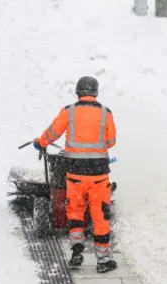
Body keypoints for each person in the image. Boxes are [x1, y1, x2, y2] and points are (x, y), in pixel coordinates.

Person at [33, 76, 118, 273]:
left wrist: (40, 142)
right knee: (100, 215)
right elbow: (111, 141)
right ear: (95, 92)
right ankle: (103, 260)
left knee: (75, 211)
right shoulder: (106, 113)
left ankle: (76, 252)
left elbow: (52, 133)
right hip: (98, 175)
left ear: (78, 92)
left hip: (75, 174)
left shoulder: (68, 111)